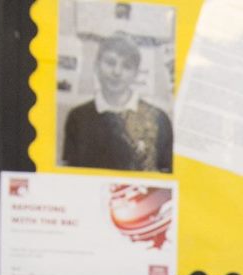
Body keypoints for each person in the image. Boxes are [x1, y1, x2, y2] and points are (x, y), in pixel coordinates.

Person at [60, 34, 173, 173]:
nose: (117, 72)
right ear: (96, 66)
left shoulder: (159, 119)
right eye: (110, 62)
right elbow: (70, 173)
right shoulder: (77, 117)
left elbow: (166, 175)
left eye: (126, 66)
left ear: (136, 73)